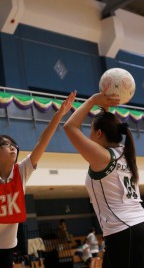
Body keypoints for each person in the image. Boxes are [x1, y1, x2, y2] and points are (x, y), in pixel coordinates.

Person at [63, 92, 144, 268]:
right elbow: (108, 128)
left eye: (91, 130)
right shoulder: (125, 151)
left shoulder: (103, 157)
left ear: (99, 133)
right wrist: (104, 109)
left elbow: (69, 127)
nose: (89, 134)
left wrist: (93, 100)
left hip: (125, 232)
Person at [0, 91, 76, 268]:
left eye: (14, 145)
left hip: (7, 247)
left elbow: (41, 143)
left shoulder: (21, 171)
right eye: (6, 144)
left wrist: (59, 115)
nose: (12, 148)